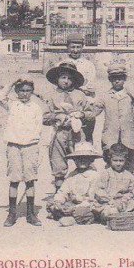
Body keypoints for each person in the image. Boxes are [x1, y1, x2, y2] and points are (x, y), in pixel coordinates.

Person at [0, 78, 44, 227]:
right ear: (17, 92)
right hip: (14, 146)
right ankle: (12, 213)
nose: (25, 94)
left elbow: (38, 128)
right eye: (22, 90)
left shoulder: (36, 108)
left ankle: (30, 214)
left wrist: (31, 141)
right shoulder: (12, 105)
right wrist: (13, 81)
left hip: (30, 146)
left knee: (30, 179)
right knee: (14, 179)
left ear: (32, 92)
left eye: (28, 91)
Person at [42, 61, 96, 191]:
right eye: (63, 77)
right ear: (57, 79)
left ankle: (82, 193)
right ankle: (59, 194)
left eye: (70, 78)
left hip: (77, 133)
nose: (66, 81)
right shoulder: (51, 95)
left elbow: (91, 113)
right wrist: (56, 116)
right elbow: (44, 117)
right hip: (59, 133)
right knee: (58, 165)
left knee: (83, 162)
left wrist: (81, 114)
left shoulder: (80, 95)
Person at [92, 60, 134, 174]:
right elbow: (94, 111)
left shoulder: (131, 95)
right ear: (110, 80)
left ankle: (129, 189)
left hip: (128, 137)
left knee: (130, 164)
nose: (117, 81)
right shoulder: (105, 96)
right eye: (114, 78)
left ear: (124, 79)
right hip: (110, 137)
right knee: (110, 163)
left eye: (120, 78)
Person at [46, 142, 102, 226]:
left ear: (91, 159)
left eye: (85, 158)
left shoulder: (94, 176)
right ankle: (67, 214)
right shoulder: (72, 175)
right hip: (72, 203)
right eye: (78, 158)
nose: (82, 161)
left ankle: (74, 218)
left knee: (86, 210)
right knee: (51, 203)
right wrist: (59, 202)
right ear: (74, 160)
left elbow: (91, 198)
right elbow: (63, 191)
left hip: (86, 204)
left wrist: (74, 207)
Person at [93, 142, 134, 222]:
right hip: (109, 202)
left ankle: (121, 216)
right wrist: (109, 200)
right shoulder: (106, 173)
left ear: (125, 160)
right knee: (109, 211)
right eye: (115, 160)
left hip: (123, 202)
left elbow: (132, 192)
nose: (118, 163)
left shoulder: (129, 176)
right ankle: (116, 217)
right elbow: (99, 190)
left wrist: (125, 199)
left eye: (121, 161)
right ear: (110, 159)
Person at [65, 35, 97, 142]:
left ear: (82, 48)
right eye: (72, 47)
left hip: (84, 104)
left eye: (78, 47)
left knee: (85, 136)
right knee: (67, 137)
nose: (75, 50)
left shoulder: (89, 65)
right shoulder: (62, 64)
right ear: (67, 48)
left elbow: (91, 87)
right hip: (67, 105)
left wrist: (76, 89)